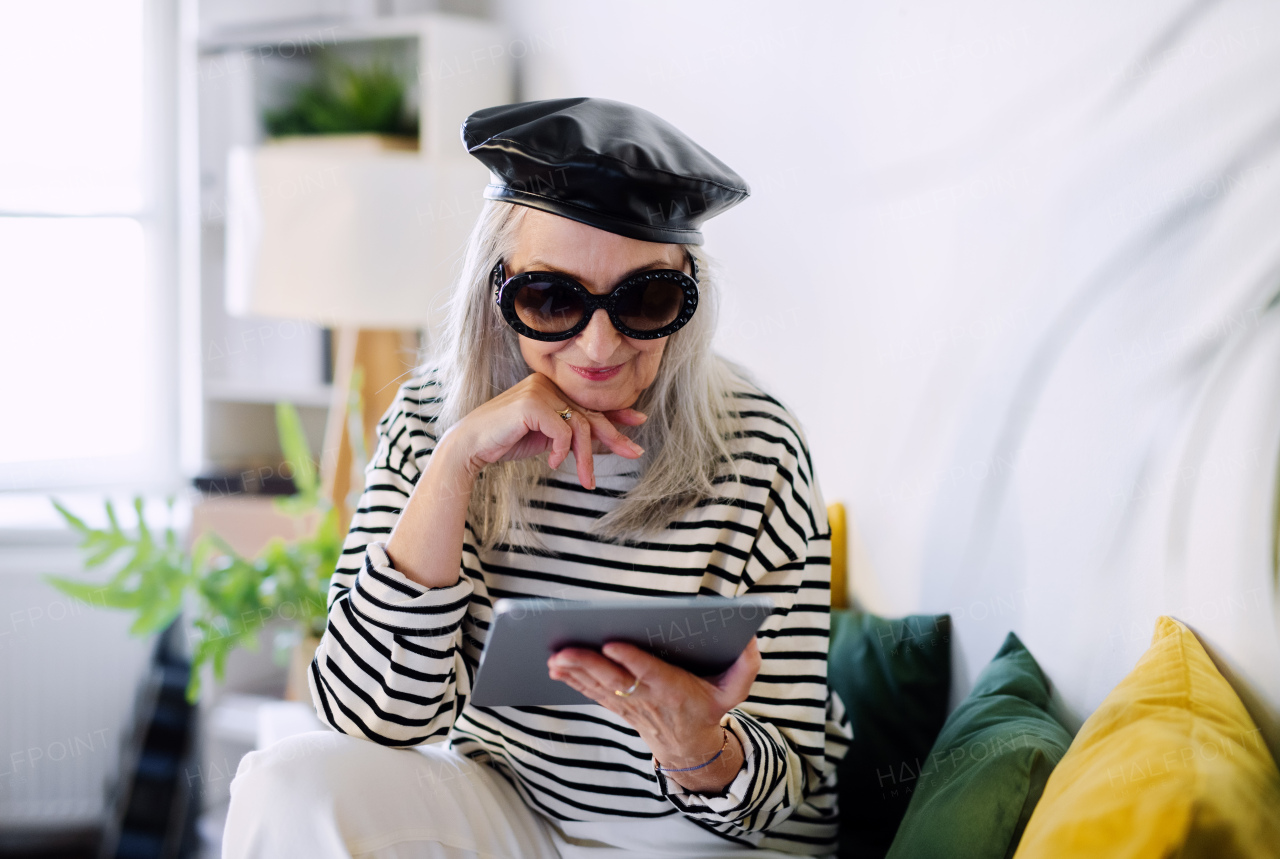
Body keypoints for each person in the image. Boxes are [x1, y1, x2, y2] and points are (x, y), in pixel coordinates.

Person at [224, 97, 850, 858]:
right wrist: (454, 463)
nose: (599, 343)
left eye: (645, 298)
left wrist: (701, 750)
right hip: (514, 813)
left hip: (696, 840)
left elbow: (792, 790)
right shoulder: (431, 416)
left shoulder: (759, 445)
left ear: (689, 298)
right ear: (499, 291)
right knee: (283, 782)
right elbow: (367, 716)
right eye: (551, 298)